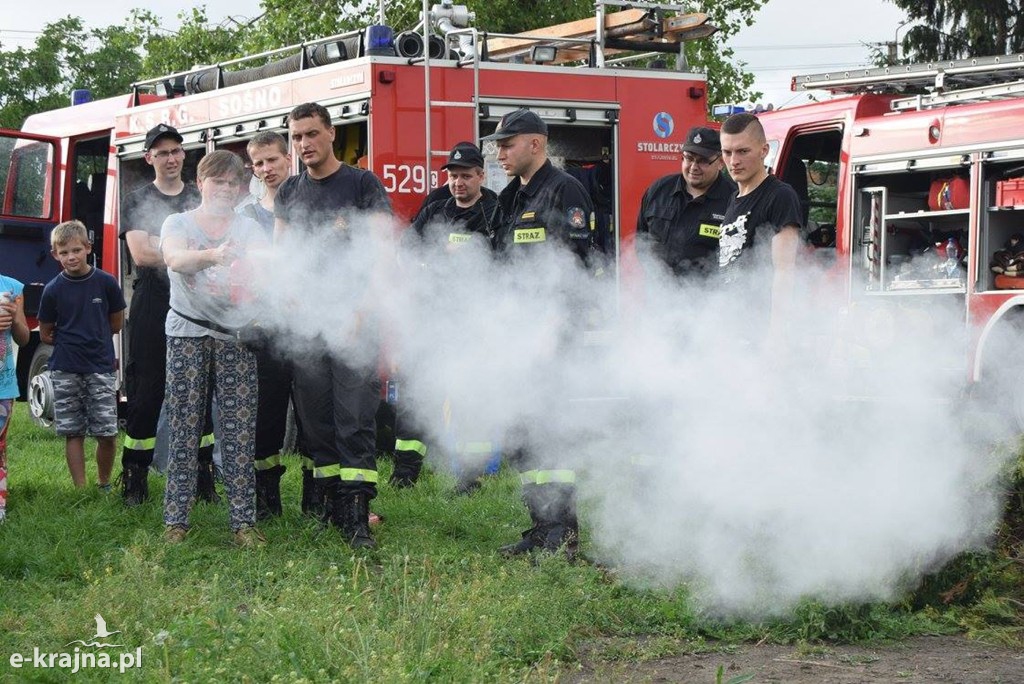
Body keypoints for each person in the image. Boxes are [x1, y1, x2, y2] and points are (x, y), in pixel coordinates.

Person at [274, 102, 392, 549]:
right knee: (316, 420)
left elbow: (382, 253)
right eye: (296, 137)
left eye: (310, 134)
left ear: (330, 133)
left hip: (355, 319)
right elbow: (283, 257)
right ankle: (328, 508)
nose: (303, 143)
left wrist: (364, 309)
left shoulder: (362, 184)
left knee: (355, 418)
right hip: (309, 323)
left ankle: (358, 514)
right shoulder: (288, 192)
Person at [483, 109, 595, 560]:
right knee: (522, 433)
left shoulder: (565, 190)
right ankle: (542, 525)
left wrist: (552, 331)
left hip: (550, 336)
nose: (500, 152)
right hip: (514, 333)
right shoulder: (511, 196)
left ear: (536, 144)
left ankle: (562, 533)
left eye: (508, 144)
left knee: (551, 432)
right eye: (499, 144)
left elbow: (575, 269)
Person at [161, 150, 268, 546]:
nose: (224, 188)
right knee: (185, 428)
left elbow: (265, 267)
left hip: (236, 336)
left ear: (240, 189)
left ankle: (243, 524)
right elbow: (173, 258)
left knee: (240, 432)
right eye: (216, 181)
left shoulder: (250, 227)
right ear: (200, 183)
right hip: (187, 333)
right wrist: (214, 255)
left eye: (231, 182)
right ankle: (176, 522)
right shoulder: (178, 222)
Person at [392, 142, 502, 491]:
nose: (458, 182)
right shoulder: (435, 210)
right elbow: (406, 253)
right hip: (430, 320)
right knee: (416, 395)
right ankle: (404, 474)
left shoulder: (496, 211)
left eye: (466, 176)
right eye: (453, 176)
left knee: (468, 398)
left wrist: (468, 252)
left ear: (481, 176)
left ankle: (470, 478)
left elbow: (504, 262)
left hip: (473, 323)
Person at [119, 124, 217, 506]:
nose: (171, 158)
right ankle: (135, 478)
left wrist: (173, 247)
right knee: (146, 391)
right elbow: (141, 255)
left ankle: (203, 478)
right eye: (162, 153)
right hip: (153, 304)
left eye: (176, 151)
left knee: (200, 392)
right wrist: (186, 251)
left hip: (197, 305)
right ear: (149, 159)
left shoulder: (198, 197)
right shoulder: (137, 199)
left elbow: (215, 245)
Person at [37, 221, 126, 490]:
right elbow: (45, 333)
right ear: (55, 254)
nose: (71, 257)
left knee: (107, 432)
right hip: (65, 368)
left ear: (88, 248)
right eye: (64, 253)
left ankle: (104, 484)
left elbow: (116, 324)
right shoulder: (52, 289)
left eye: (76, 250)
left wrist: (94, 337)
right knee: (72, 432)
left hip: (100, 367)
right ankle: (80, 489)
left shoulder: (106, 283)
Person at [239, 131, 299, 519]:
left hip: (310, 323)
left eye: (272, 160)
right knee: (268, 416)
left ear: (288, 159)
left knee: (313, 417)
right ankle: (267, 498)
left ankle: (319, 496)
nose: (266, 169)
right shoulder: (248, 214)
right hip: (267, 327)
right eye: (258, 163)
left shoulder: (310, 201)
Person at [717, 112, 803, 336]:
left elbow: (785, 273)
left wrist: (776, 337)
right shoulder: (733, 198)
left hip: (759, 329)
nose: (734, 161)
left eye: (743, 151)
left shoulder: (780, 196)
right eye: (727, 152)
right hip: (732, 326)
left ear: (764, 151)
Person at [637, 126, 736, 278]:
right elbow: (641, 240)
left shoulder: (735, 199)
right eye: (689, 158)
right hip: (656, 295)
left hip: (710, 298)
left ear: (721, 162)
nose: (694, 167)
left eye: (703, 161)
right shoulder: (658, 191)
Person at [0, 273, 30, 522]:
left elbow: (24, 337)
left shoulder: (12, 287)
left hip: (3, 386)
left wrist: (13, 319)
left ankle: (0, 506)